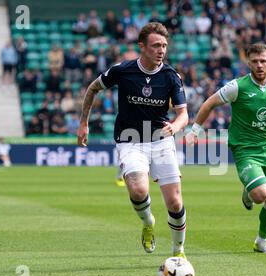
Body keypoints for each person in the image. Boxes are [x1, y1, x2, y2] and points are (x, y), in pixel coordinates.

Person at [77, 23, 189, 258]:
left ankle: (178, 253)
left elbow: (183, 114)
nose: (161, 50)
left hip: (161, 139)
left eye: (164, 46)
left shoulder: (171, 76)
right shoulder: (123, 70)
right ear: (142, 47)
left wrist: (175, 126)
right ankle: (148, 222)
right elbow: (92, 88)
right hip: (131, 140)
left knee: (175, 203)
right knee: (138, 190)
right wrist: (83, 123)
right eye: (156, 45)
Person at [186, 43, 266, 254]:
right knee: (261, 194)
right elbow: (209, 103)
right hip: (245, 147)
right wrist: (194, 130)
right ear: (248, 63)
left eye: (263, 61)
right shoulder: (237, 86)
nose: (259, 65)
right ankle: (250, 190)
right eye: (254, 61)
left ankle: (261, 241)